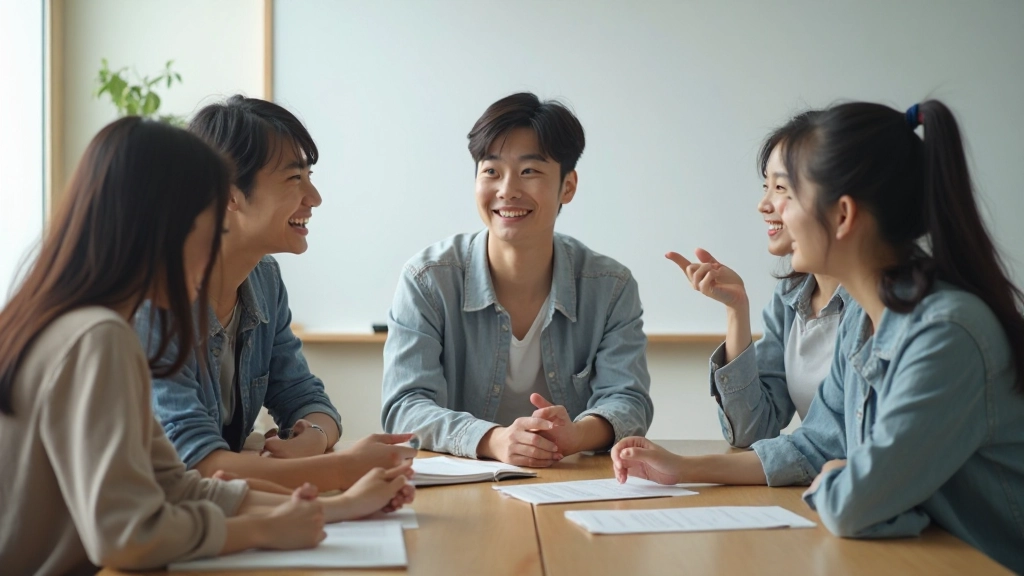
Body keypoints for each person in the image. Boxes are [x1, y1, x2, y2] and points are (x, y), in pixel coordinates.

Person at [612, 100, 1024, 572]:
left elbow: (856, 503)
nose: (773, 212)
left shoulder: (945, 334)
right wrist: (684, 469)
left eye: (788, 194)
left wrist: (841, 479)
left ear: (843, 215)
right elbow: (816, 446)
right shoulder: (862, 321)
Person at [0, 117, 413, 576]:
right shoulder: (101, 337)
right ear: (161, 226)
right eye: (211, 228)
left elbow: (176, 486)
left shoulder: (73, 321)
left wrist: (336, 508)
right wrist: (266, 529)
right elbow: (128, 537)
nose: (214, 248)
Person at [136, 96, 415, 490]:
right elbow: (197, 466)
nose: (314, 197)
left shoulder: (264, 279)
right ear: (230, 194)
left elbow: (303, 394)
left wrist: (312, 438)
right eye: (293, 178)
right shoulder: (155, 301)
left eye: (309, 176)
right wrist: (343, 469)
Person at [382, 92, 654, 467]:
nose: (507, 190)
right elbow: (405, 406)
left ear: (568, 186)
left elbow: (628, 401)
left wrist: (577, 434)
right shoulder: (428, 280)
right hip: (461, 483)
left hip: (569, 483)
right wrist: (493, 440)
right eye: (491, 171)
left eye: (529, 171)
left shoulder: (609, 286)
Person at [667, 111, 849, 448]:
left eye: (780, 187)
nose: (764, 205)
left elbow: (840, 445)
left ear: (839, 204)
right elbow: (752, 430)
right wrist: (737, 309)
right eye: (766, 186)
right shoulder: (792, 297)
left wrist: (693, 468)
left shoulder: (877, 305)